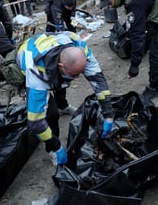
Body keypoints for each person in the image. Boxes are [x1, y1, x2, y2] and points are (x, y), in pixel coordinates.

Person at [16, 31, 115, 165]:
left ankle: (63, 106)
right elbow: (35, 121)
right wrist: (55, 146)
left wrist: (108, 113)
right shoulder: (35, 70)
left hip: (51, 51)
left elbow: (97, 78)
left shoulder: (78, 44)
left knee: (62, 84)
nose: (78, 77)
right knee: (51, 114)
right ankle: (51, 150)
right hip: (27, 61)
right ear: (60, 66)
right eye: (75, 75)